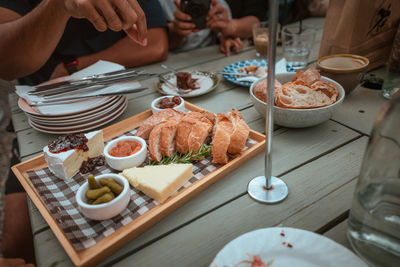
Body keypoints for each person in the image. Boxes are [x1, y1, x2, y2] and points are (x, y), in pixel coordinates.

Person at [0, 0, 169, 85]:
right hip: (47, 107)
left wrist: (73, 67)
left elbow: (153, 43)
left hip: (119, 96)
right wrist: (58, 5)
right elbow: (6, 65)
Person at [160, 0, 244, 56]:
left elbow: (223, 21)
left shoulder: (216, 3)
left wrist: (225, 36)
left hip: (210, 55)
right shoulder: (160, 3)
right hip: (173, 59)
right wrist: (175, 32)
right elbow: (155, 45)